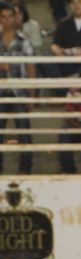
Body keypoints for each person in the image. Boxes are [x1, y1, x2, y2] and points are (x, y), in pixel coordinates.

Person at [0, 0, 34, 175]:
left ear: (15, 18)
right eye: (3, 17)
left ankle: (26, 168)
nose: (7, 20)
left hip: (19, 90)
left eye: (9, 16)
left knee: (24, 131)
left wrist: (31, 93)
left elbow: (30, 67)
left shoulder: (24, 40)